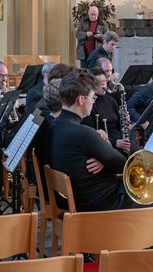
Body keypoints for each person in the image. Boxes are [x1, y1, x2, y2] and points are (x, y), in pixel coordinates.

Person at [46, 70, 129, 211]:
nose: (93, 101)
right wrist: (106, 149)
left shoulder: (55, 125)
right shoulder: (84, 133)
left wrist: (102, 157)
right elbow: (122, 165)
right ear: (80, 100)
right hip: (101, 202)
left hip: (77, 199)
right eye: (92, 98)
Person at [81, 67, 130, 155]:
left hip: (121, 141)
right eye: (99, 83)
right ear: (91, 85)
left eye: (104, 81)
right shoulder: (89, 103)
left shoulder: (110, 100)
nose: (104, 85)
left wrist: (125, 120)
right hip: (105, 145)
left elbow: (119, 127)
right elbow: (91, 133)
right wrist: (115, 142)